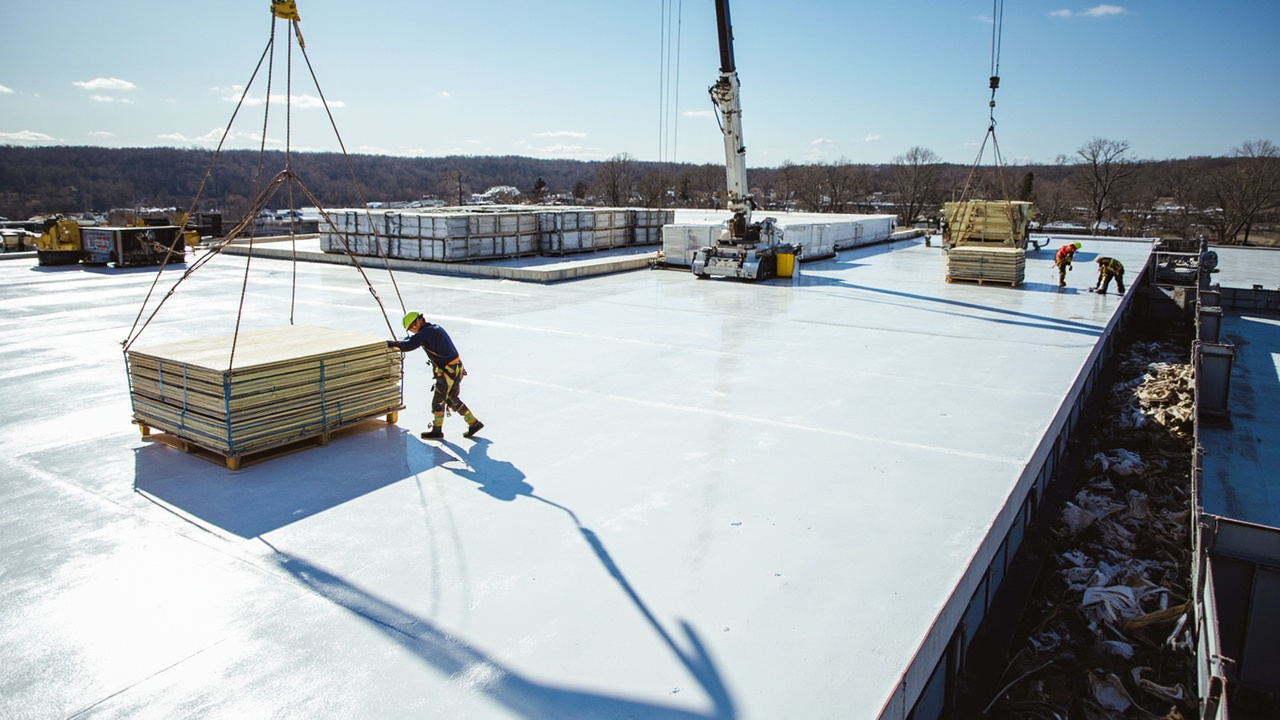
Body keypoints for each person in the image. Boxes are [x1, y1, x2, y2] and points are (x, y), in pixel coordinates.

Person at [387, 311, 483, 440]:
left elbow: (408, 345)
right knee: (451, 398)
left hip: (447, 372)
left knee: (439, 401)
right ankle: (473, 423)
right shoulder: (434, 329)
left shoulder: (425, 333)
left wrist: (392, 344)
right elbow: (412, 340)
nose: (412, 330)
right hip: (455, 368)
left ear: (418, 322)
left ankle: (438, 430)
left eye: (411, 327)